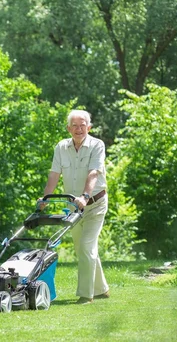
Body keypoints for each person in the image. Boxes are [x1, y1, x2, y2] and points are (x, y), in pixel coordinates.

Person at [39, 109, 110, 304]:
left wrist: (85, 196)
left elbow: (94, 173)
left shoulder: (97, 145)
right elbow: (54, 174)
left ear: (89, 127)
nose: (79, 129)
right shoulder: (61, 147)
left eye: (83, 125)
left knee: (87, 247)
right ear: (69, 128)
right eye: (75, 126)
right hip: (74, 207)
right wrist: (45, 198)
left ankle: (86, 295)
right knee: (82, 249)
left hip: (95, 204)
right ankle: (102, 288)